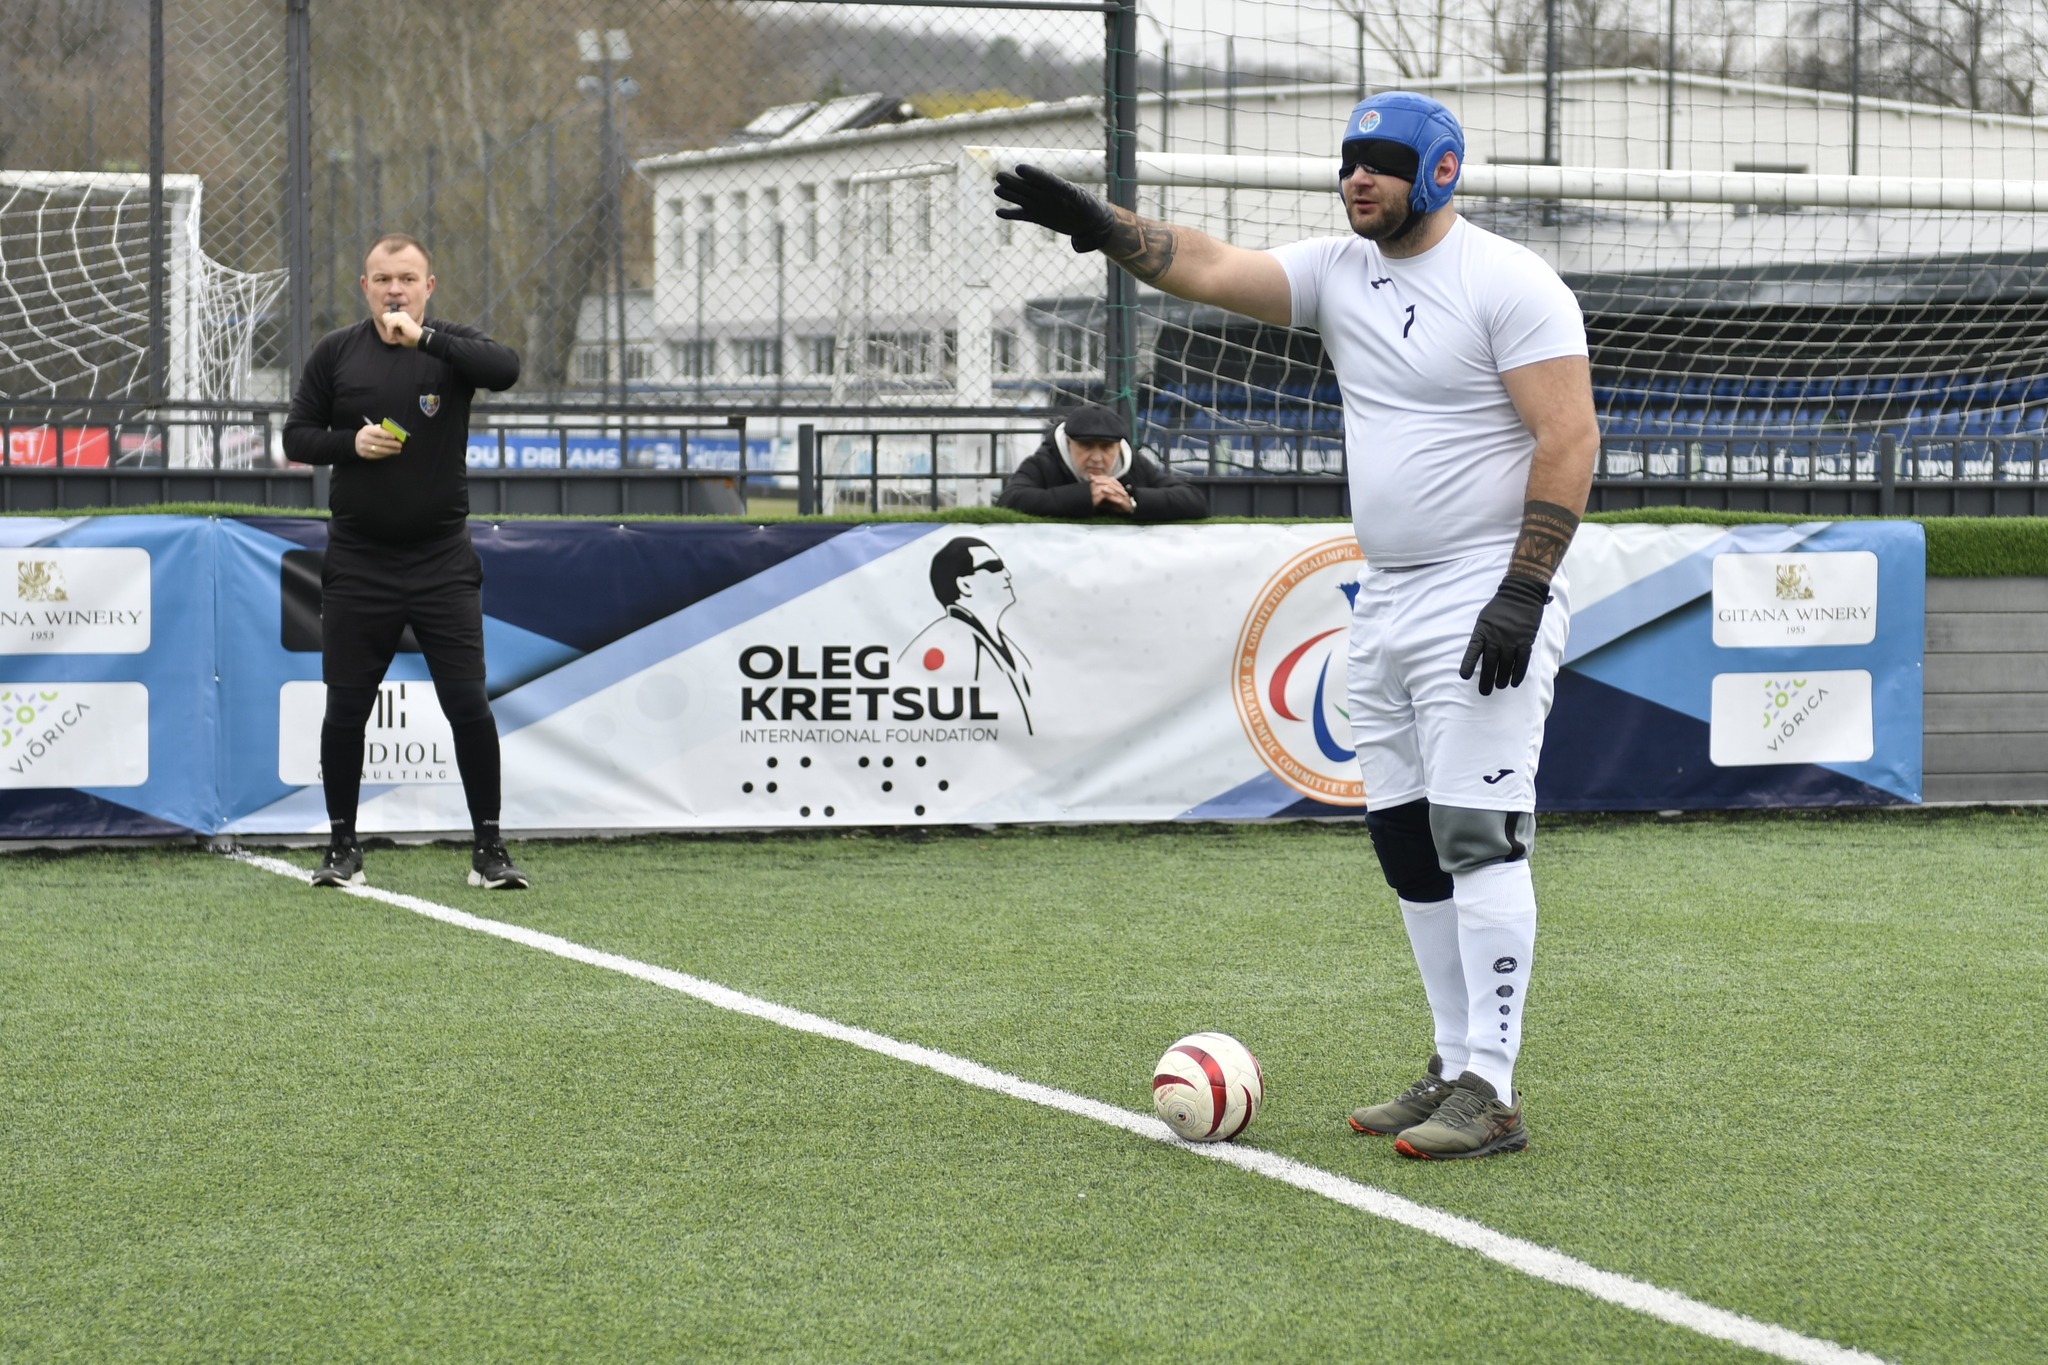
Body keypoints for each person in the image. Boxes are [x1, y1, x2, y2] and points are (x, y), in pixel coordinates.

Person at [996, 91, 1598, 1159]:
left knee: (1477, 833)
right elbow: (1205, 263)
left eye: (1381, 161)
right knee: (1404, 837)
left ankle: (1493, 1089)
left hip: (1482, 590)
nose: (1356, 176)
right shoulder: (1335, 271)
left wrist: (1523, 588)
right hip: (1388, 593)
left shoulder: (1511, 283)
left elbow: (1568, 438)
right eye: (1348, 160)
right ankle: (1449, 1060)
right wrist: (1098, 223)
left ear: (1439, 173)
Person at [284, 232, 529, 891]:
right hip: (359, 560)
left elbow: (506, 369)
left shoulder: (450, 348)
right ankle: (342, 849)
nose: (395, 289)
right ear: (364, 287)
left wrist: (423, 339)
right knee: (346, 708)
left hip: (441, 560)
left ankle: (489, 850)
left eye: (408, 278)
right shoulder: (336, 352)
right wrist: (351, 444)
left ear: (429, 287)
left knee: (469, 703)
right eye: (383, 278)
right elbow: (296, 436)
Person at [997, 402, 1207, 522]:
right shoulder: (1044, 462)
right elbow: (1009, 500)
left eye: (1106, 448)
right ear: (1068, 443)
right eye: (1086, 446)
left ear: (1118, 446)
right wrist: (1085, 496)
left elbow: (1194, 501)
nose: (1097, 457)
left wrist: (1132, 502)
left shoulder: (1134, 463)